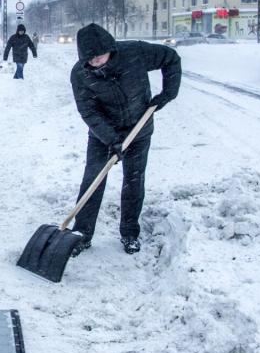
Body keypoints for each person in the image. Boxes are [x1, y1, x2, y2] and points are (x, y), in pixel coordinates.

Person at [69, 23, 180, 255]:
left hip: (138, 129)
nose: (96, 61)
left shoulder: (134, 53)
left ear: (110, 47)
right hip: (103, 135)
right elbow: (89, 112)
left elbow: (170, 58)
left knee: (133, 180)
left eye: (100, 56)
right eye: (90, 58)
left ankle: (130, 233)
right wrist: (111, 139)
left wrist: (169, 92)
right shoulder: (80, 74)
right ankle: (82, 233)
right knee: (93, 180)